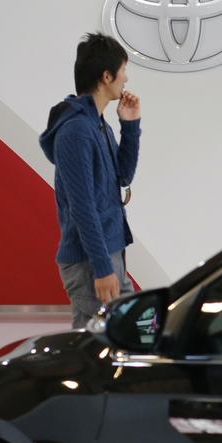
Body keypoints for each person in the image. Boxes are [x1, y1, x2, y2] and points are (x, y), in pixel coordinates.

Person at [39, 33, 142, 328]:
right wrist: (101, 267)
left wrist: (130, 125)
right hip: (90, 260)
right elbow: (81, 207)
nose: (126, 78)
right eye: (123, 70)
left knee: (111, 343)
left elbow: (123, 176)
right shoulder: (76, 131)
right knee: (97, 349)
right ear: (107, 75)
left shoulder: (97, 125)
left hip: (107, 252)